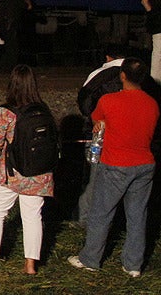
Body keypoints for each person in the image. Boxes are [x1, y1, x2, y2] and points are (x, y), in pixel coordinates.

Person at [69, 57, 159, 278]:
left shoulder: (109, 101)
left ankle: (91, 259)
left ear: (122, 75)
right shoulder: (153, 104)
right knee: (138, 215)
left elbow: (96, 118)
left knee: (101, 213)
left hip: (116, 164)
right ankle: (133, 265)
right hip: (145, 165)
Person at [0, 65, 54, 275]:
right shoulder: (43, 109)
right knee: (33, 217)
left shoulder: (6, 111)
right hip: (40, 174)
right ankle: (30, 265)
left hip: (12, 173)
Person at [75, 44, 126, 226]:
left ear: (107, 57)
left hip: (97, 135)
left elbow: (84, 104)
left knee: (93, 179)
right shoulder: (137, 76)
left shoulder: (98, 75)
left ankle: (84, 218)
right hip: (126, 139)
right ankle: (116, 219)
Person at [0, 0, 32, 72]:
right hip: (12, 28)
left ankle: (2, 69)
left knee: (8, 49)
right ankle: (8, 70)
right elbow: (28, 7)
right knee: (13, 51)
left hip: (3, 27)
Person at [141, 0, 161, 83]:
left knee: (158, 53)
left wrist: (152, 13)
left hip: (158, 20)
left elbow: (144, 0)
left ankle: (155, 82)